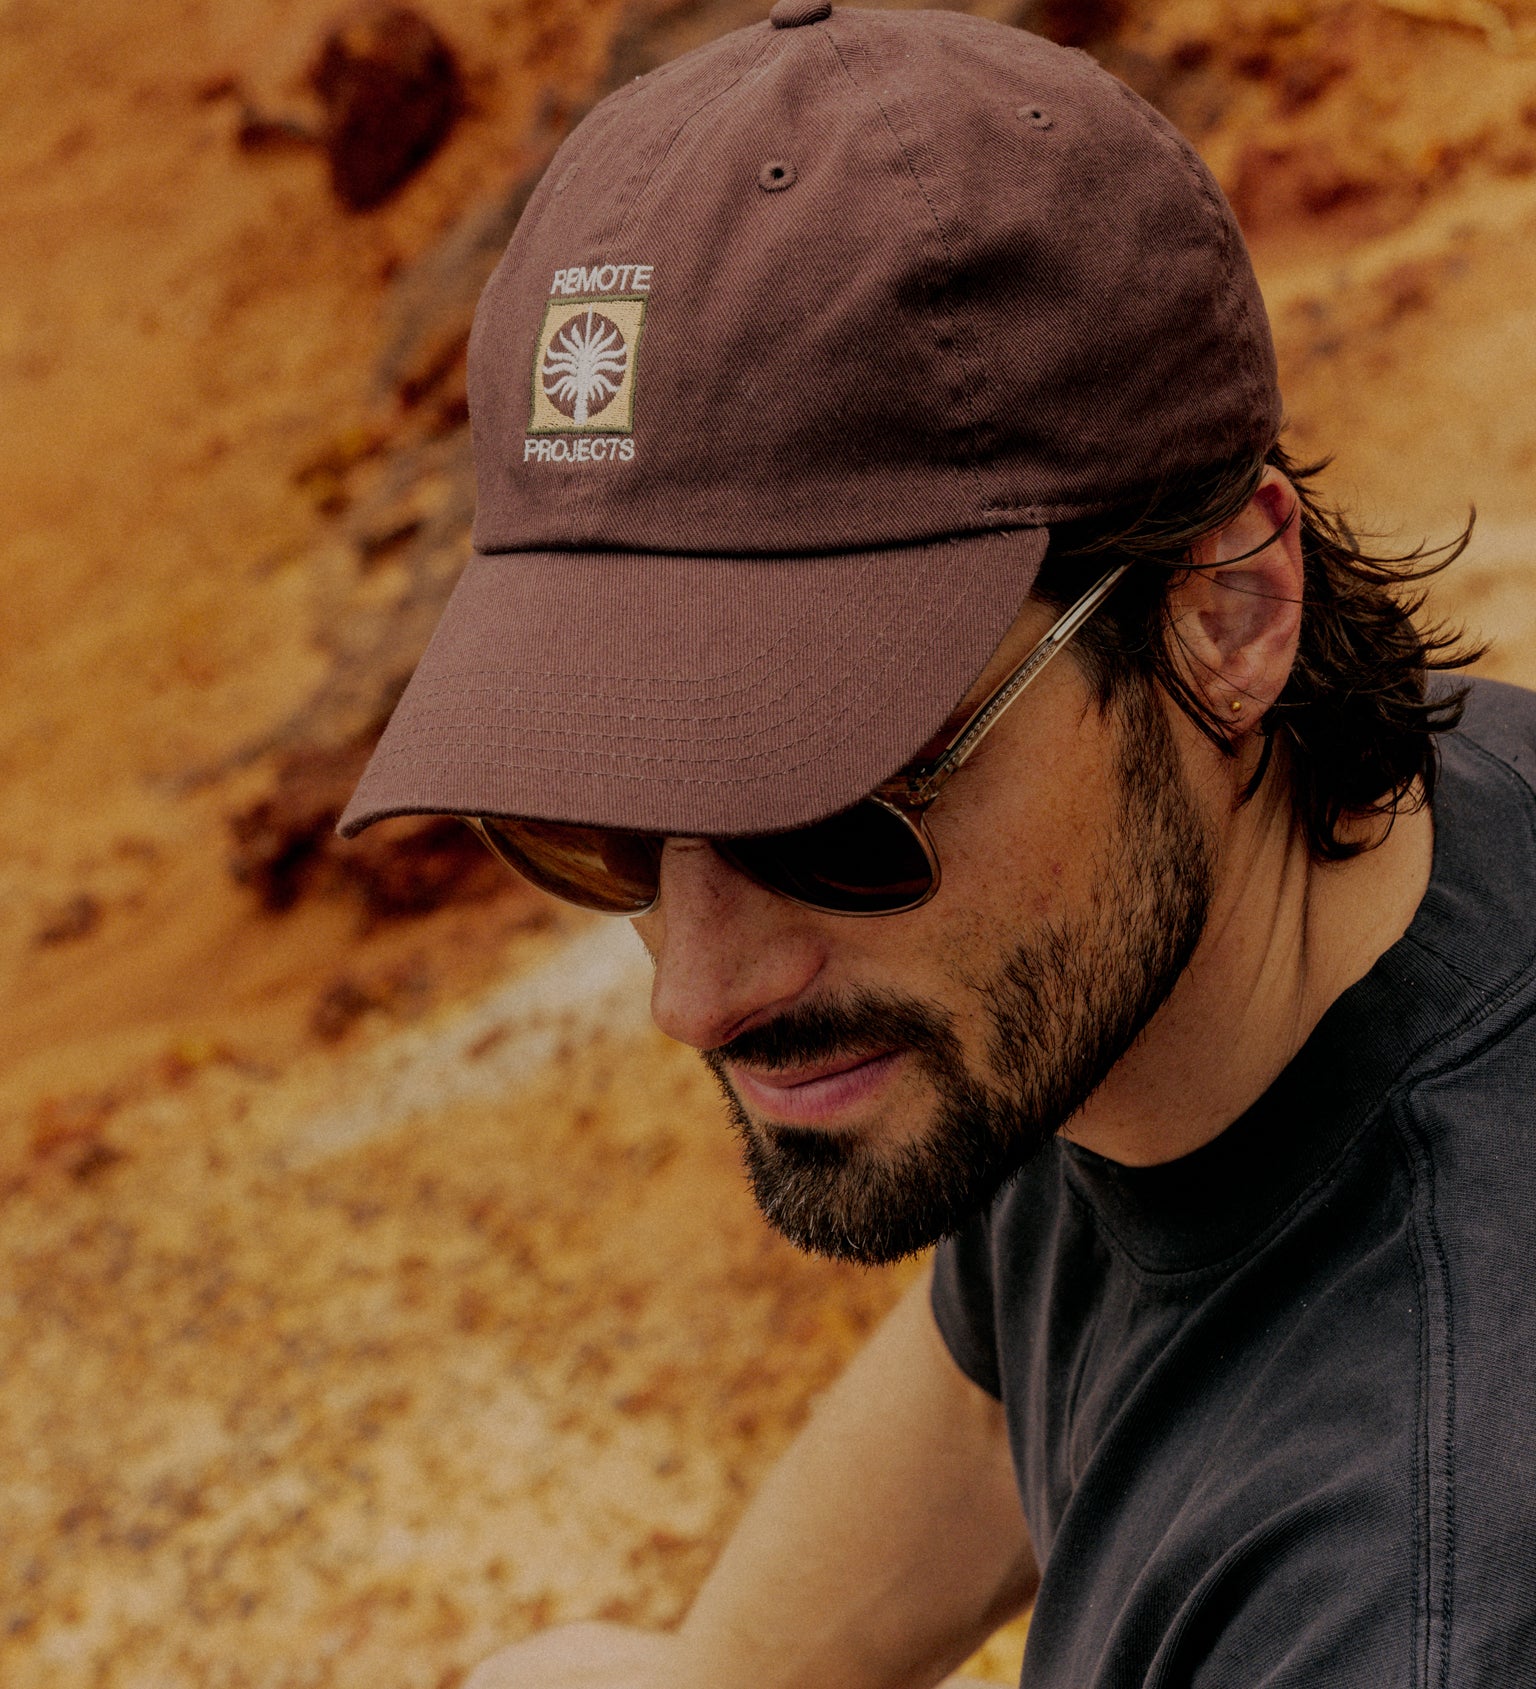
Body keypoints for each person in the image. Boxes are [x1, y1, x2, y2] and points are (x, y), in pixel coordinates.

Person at [338, 5, 1536, 1685]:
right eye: (606, 820)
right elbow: (998, 1389)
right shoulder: (1272, 893)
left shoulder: (1414, 1586)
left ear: (1227, 614)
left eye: (835, 806)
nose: (694, 990)